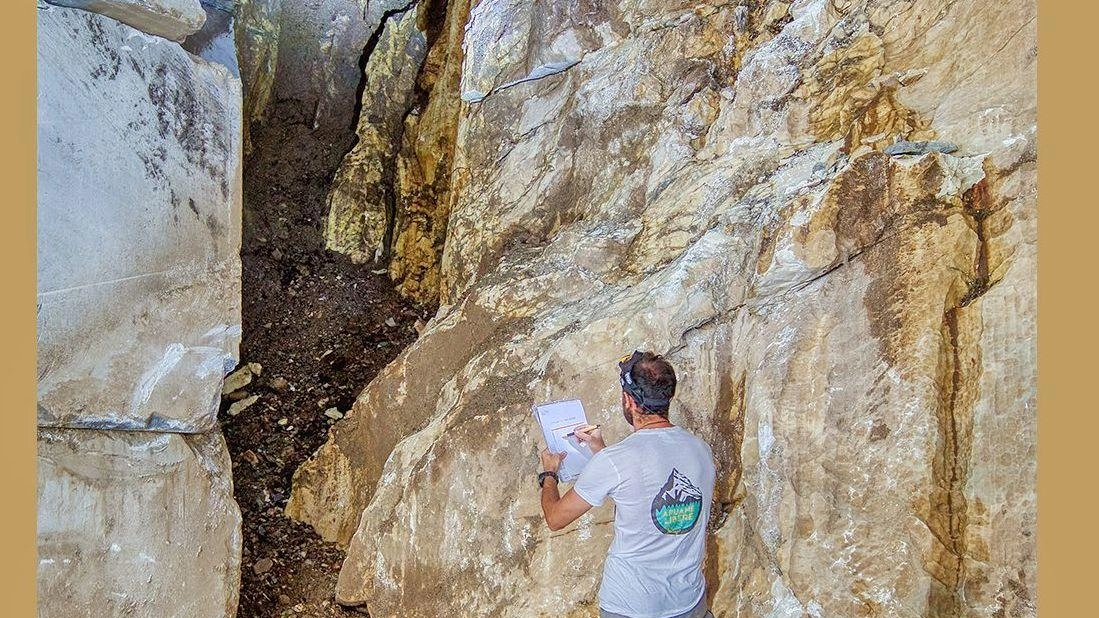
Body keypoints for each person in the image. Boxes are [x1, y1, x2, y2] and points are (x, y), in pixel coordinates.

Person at [537, 351, 718, 618]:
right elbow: (641, 487)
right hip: (689, 603)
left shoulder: (616, 460)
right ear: (668, 396)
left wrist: (549, 475)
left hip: (631, 606)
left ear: (628, 400)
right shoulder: (701, 451)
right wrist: (599, 450)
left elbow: (555, 518)